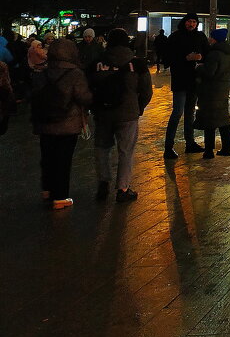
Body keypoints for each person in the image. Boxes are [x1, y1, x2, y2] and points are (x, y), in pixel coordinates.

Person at [90, 29, 152, 203]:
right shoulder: (136, 64)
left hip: (102, 113)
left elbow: (88, 87)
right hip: (128, 114)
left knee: (102, 148)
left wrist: (94, 107)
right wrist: (138, 108)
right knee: (125, 151)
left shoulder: (97, 62)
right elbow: (147, 91)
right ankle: (123, 189)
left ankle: (103, 182)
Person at [30, 38, 92, 209]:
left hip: (45, 122)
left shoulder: (42, 72)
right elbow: (84, 97)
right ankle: (60, 196)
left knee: (47, 157)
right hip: (67, 123)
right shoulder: (75, 74)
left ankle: (47, 190)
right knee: (63, 160)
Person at [164, 13, 208, 158]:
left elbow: (207, 53)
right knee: (177, 112)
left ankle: (190, 143)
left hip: (193, 80)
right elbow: (168, 56)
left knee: (190, 113)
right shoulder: (175, 37)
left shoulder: (200, 36)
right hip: (180, 80)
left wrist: (201, 57)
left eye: (194, 22)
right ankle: (168, 147)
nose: (192, 24)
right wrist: (185, 58)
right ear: (184, 22)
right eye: (189, 21)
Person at [197, 28, 230, 159]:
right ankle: (227, 147)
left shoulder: (214, 54)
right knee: (223, 118)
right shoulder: (229, 53)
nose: (209, 39)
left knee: (209, 120)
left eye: (211, 37)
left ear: (214, 39)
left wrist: (199, 67)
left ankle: (208, 151)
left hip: (211, 90)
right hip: (223, 89)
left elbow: (209, 72)